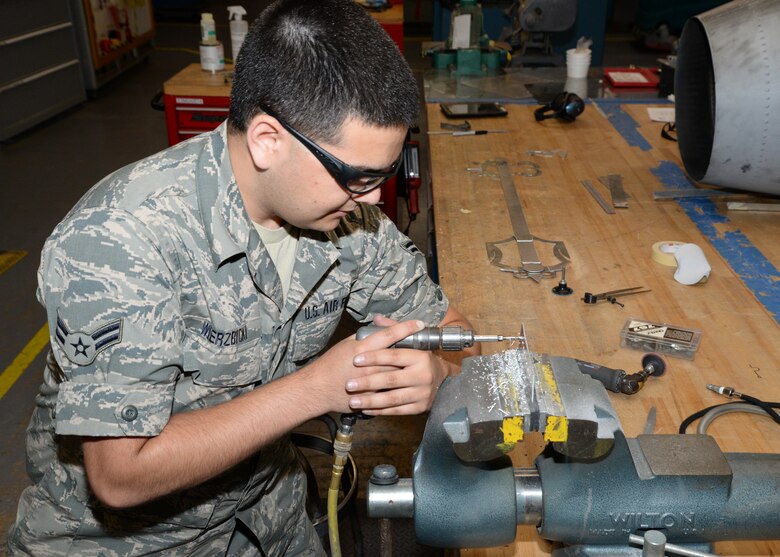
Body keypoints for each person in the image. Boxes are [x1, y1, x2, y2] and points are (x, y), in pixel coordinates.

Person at [8, 0, 478, 555]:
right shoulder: (122, 239)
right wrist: (317, 388)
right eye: (358, 176)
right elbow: (120, 475)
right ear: (266, 140)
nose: (375, 197)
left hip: (266, 508)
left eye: (387, 172)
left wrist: (438, 370)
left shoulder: (349, 221)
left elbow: (456, 331)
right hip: (131, 540)